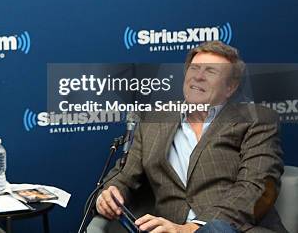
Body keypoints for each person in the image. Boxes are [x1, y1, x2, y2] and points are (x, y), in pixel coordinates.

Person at [95, 41, 286, 233]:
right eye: (194, 68)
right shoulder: (153, 120)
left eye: (211, 71)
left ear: (230, 86)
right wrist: (111, 193)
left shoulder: (257, 119)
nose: (199, 76)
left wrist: (192, 228)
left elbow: (256, 187)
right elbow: (123, 176)